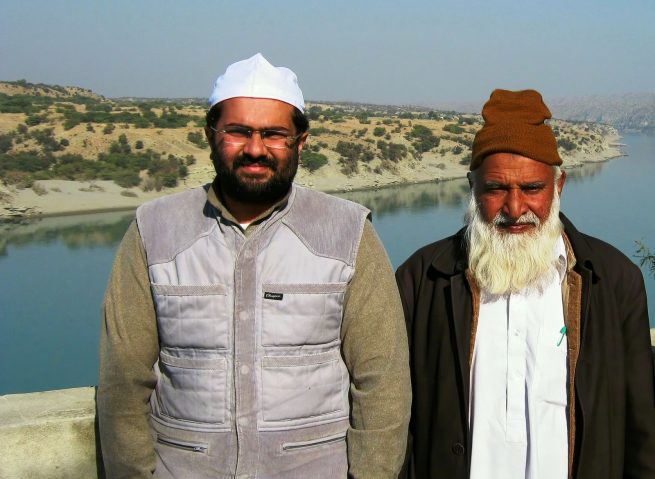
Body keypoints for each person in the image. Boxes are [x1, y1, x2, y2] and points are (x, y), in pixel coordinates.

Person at [98, 53, 410, 478]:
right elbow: (123, 382)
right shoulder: (154, 231)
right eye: (238, 132)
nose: (255, 149)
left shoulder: (348, 232)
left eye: (274, 134)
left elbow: (383, 381)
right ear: (211, 136)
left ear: (300, 142)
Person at [396, 89, 655, 479]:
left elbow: (641, 429)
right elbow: (396, 419)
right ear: (472, 187)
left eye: (532, 189)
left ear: (560, 185)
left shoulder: (613, 281)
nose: (514, 210)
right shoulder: (422, 279)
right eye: (496, 189)